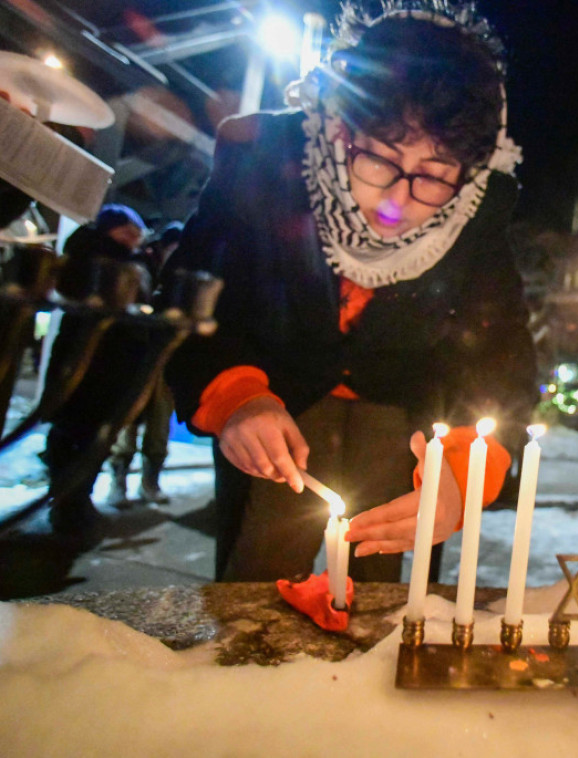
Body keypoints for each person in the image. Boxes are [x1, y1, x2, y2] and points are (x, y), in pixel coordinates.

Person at [163, 4, 537, 582]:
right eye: (380, 160)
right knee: (255, 587)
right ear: (340, 126)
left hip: (404, 422)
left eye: (434, 174)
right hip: (275, 406)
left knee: (381, 611)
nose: (397, 202)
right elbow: (195, 295)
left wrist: (462, 475)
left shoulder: (476, 212)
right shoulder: (263, 159)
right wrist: (235, 395)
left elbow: (497, 355)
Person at [43, 203, 148, 533]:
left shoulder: (111, 259)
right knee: (80, 436)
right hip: (92, 364)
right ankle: (69, 505)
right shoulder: (101, 260)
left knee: (84, 436)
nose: (134, 240)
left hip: (99, 365)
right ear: (112, 229)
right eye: (129, 233)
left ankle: (72, 501)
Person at [105, 222, 184, 506]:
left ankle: (150, 483)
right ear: (165, 245)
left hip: (167, 360)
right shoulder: (138, 267)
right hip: (136, 358)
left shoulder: (180, 275)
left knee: (160, 425)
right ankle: (119, 483)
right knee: (126, 423)